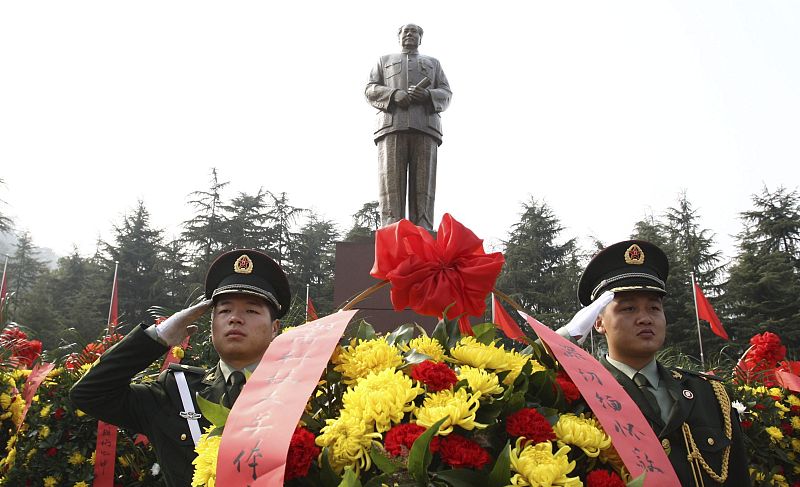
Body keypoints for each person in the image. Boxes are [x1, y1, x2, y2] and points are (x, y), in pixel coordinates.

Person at [70, 249, 291, 487]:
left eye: (251, 310)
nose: (235, 318)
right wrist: (158, 337)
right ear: (212, 323)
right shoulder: (176, 391)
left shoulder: (298, 392)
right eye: (225, 310)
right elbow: (90, 394)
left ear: (275, 328)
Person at [565, 240, 750, 486]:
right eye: (628, 309)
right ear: (597, 322)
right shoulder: (579, 396)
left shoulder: (710, 394)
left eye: (654, 307)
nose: (645, 318)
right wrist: (568, 334)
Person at [365, 23, 452, 231]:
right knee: (390, 186)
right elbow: (369, 89)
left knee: (424, 189)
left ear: (420, 39)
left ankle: (423, 229)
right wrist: (393, 95)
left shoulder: (433, 63)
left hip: (425, 127)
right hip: (392, 126)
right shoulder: (384, 61)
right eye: (406, 31)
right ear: (399, 37)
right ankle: (391, 229)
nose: (410, 34)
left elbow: (446, 93)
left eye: (415, 32)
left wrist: (428, 95)